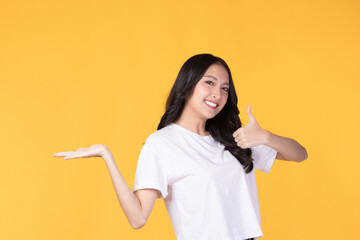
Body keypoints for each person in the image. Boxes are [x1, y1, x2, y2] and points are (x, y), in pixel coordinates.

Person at [54, 53, 308, 240]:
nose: (218, 94)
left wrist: (266, 137)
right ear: (187, 86)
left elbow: (300, 155)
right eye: (209, 83)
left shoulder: (233, 137)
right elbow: (137, 218)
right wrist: (107, 156)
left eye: (224, 88)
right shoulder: (162, 144)